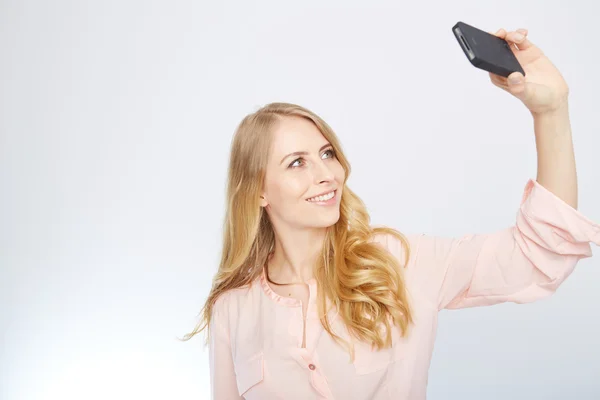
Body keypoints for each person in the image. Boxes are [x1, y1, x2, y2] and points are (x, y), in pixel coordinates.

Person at [182, 28, 600, 399]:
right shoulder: (232, 309)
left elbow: (536, 255)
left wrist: (551, 112)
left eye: (327, 153)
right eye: (297, 162)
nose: (327, 174)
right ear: (257, 191)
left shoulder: (398, 262)